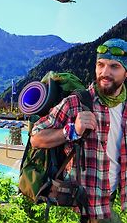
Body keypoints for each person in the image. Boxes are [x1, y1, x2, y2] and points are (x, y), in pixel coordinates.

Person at [30, 38, 127, 223]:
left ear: (126, 72)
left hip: (113, 197)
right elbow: (36, 137)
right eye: (101, 64)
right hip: (83, 206)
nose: (105, 73)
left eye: (114, 66)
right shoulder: (76, 103)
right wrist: (72, 130)